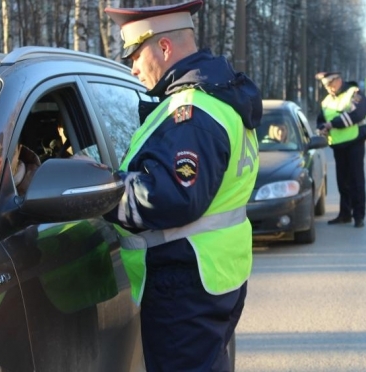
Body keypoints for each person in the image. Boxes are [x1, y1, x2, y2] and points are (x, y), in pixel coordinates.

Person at [103, 1, 262, 371]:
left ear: (163, 48)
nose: (133, 67)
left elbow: (170, 196)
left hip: (185, 284)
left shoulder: (190, 112)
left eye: (136, 54)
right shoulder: (219, 99)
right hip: (213, 275)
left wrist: (106, 190)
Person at [315, 72, 366, 228]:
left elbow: (358, 113)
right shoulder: (326, 101)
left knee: (356, 180)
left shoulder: (354, 93)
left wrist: (333, 124)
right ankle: (345, 214)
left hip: (355, 142)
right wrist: (322, 128)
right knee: (342, 181)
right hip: (338, 145)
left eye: (331, 84)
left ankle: (359, 216)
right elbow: (321, 119)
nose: (329, 88)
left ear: (339, 80)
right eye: (326, 86)